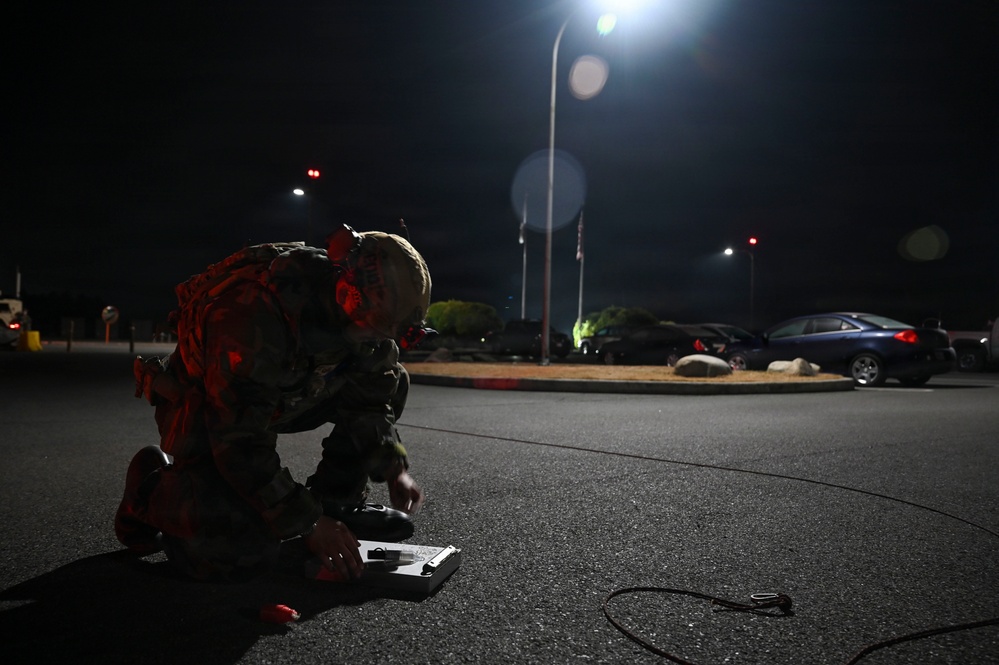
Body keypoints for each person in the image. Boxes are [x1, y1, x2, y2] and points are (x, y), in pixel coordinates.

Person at [115, 225, 433, 582]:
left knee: (394, 380)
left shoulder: (370, 325)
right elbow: (239, 440)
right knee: (235, 556)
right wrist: (307, 522)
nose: (378, 338)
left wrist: (394, 469)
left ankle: (336, 502)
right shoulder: (254, 312)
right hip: (206, 412)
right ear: (347, 289)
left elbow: (371, 405)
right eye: (374, 325)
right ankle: (146, 493)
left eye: (389, 331)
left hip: (279, 399)